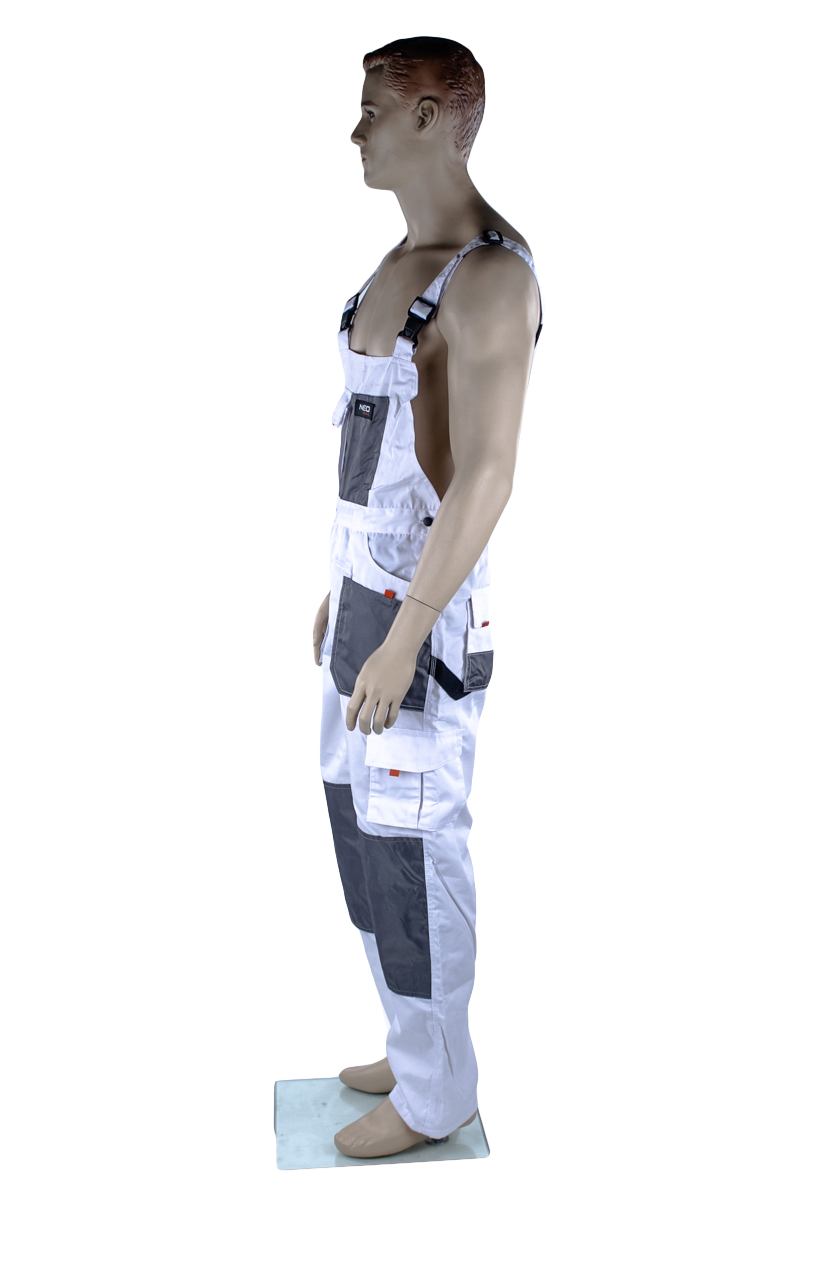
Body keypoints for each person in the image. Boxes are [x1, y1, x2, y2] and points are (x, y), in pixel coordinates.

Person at [313, 36, 542, 1159]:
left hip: (424, 613)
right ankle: (412, 1041)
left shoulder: (488, 278)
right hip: (363, 599)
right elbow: (386, 459)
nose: (355, 130)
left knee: (411, 845)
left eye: (372, 109)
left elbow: (487, 475)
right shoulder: (395, 262)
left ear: (431, 118)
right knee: (358, 832)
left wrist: (404, 632)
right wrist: (340, 590)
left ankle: (438, 1092)